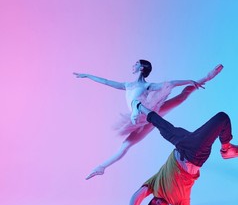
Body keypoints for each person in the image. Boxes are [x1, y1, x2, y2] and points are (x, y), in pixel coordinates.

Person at [74, 61, 224, 179]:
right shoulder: (127, 85)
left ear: (141, 68)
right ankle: (101, 168)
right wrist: (88, 75)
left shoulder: (147, 85)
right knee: (125, 146)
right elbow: (106, 81)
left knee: (181, 97)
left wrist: (190, 81)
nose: (133, 65)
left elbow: (170, 84)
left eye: (136, 64)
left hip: (150, 110)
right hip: (140, 121)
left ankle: (206, 77)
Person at [115, 104, 238, 205]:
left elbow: (136, 196)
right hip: (194, 154)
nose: (158, 204)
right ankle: (226, 149)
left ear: (153, 198)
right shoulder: (180, 203)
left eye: (154, 203)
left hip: (180, 144)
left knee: (162, 125)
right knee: (222, 118)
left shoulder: (154, 184)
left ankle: (138, 105)